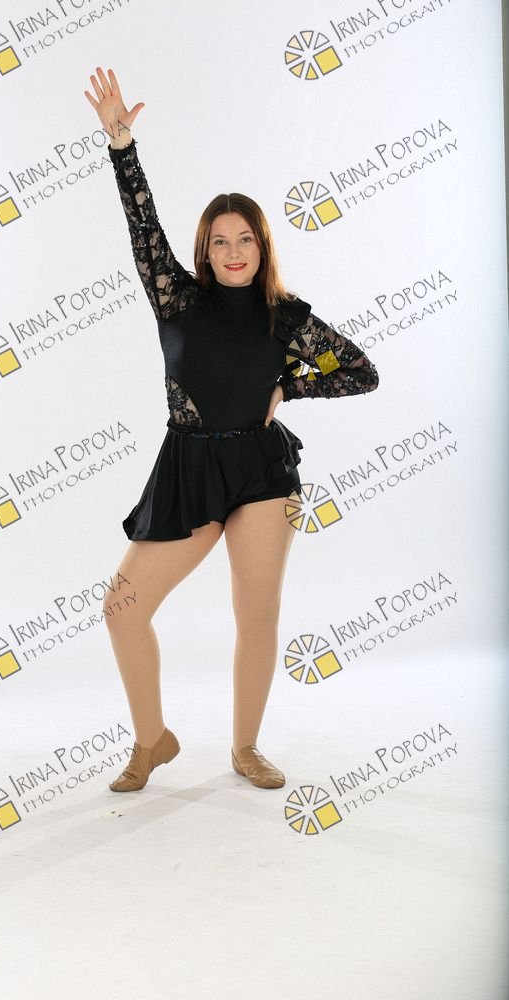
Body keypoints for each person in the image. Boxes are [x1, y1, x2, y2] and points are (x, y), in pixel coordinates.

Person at [84, 67, 379, 793]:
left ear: (261, 245)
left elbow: (361, 371)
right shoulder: (174, 299)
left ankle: (245, 747)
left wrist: (290, 384)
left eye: (245, 238)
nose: (234, 251)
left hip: (262, 473)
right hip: (188, 468)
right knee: (122, 608)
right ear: (205, 251)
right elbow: (142, 226)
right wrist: (122, 146)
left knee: (256, 612)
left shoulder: (287, 317)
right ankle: (152, 740)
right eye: (220, 241)